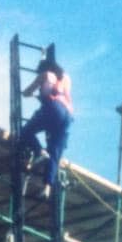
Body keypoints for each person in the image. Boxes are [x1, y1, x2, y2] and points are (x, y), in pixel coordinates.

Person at [21, 55, 73, 199]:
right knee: (55, 153)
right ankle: (47, 187)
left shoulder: (45, 74)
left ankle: (39, 151)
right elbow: (61, 94)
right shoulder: (66, 78)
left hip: (53, 108)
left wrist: (27, 93)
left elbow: (27, 92)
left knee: (25, 131)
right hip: (67, 116)